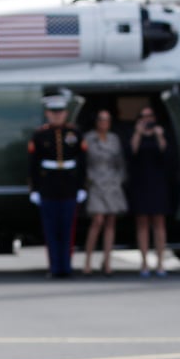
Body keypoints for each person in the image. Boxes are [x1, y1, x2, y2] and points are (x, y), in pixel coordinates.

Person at [27, 92, 87, 278]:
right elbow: (33, 164)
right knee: (51, 230)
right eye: (54, 112)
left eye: (60, 112)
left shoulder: (75, 133)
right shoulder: (40, 135)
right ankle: (54, 267)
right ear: (48, 113)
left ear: (65, 113)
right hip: (48, 187)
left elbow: (82, 162)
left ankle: (66, 267)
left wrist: (81, 187)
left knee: (68, 229)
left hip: (69, 187)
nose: (57, 115)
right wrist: (35, 189)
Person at [126, 105, 179, 277]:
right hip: (141, 183)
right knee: (142, 222)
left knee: (159, 222)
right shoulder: (136, 134)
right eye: (143, 116)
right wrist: (138, 133)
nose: (147, 119)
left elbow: (168, 156)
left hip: (158, 183)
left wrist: (159, 135)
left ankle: (161, 262)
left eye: (150, 116)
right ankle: (144, 263)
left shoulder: (160, 133)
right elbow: (130, 154)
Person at [81, 108, 126, 275]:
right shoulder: (89, 138)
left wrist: (119, 179)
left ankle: (107, 262)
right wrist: (88, 181)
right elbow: (83, 162)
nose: (103, 122)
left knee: (110, 222)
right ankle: (87, 261)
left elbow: (120, 162)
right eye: (101, 119)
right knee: (97, 221)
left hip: (112, 183)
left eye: (107, 119)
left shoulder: (114, 139)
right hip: (96, 183)